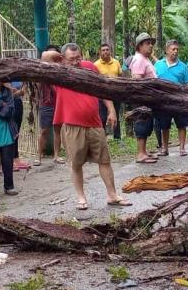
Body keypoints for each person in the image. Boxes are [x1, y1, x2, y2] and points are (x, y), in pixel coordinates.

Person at [42, 43, 131, 210]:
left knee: (105, 160)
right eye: (71, 59)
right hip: (72, 126)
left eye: (78, 58)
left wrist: (111, 110)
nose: (76, 62)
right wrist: (61, 60)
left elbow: (101, 89)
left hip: (95, 123)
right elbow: (44, 57)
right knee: (76, 163)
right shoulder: (57, 72)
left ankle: (112, 195)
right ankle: (81, 198)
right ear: (63, 59)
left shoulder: (89, 67)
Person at [154, 39, 188, 156]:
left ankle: (182, 148)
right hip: (163, 101)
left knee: (181, 124)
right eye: (173, 49)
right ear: (167, 50)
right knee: (164, 125)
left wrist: (183, 90)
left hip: (179, 100)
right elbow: (152, 80)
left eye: (177, 49)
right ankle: (165, 149)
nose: (175, 52)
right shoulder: (158, 64)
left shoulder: (183, 66)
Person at [129, 32, 160, 163]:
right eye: (147, 43)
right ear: (139, 46)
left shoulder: (144, 59)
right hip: (142, 99)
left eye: (151, 43)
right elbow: (137, 81)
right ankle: (140, 154)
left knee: (147, 124)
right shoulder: (139, 60)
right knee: (142, 123)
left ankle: (144, 151)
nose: (151, 46)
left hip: (148, 98)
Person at [35, 45, 64, 166]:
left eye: (54, 54)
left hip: (59, 103)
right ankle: (39, 157)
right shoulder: (42, 69)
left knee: (58, 130)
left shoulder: (61, 69)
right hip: (46, 103)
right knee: (44, 131)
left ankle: (56, 155)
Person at [94, 43, 123, 140]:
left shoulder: (116, 62)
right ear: (100, 52)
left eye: (107, 50)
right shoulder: (96, 65)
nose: (106, 52)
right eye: (103, 50)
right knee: (102, 116)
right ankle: (101, 138)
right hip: (102, 95)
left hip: (115, 93)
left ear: (110, 51)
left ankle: (117, 138)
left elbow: (120, 76)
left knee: (116, 116)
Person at [6, 81, 30, 171]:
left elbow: (24, 89)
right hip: (9, 104)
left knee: (16, 133)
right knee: (10, 132)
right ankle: (9, 160)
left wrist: (19, 91)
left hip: (18, 102)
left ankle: (16, 158)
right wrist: (19, 91)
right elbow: (7, 93)